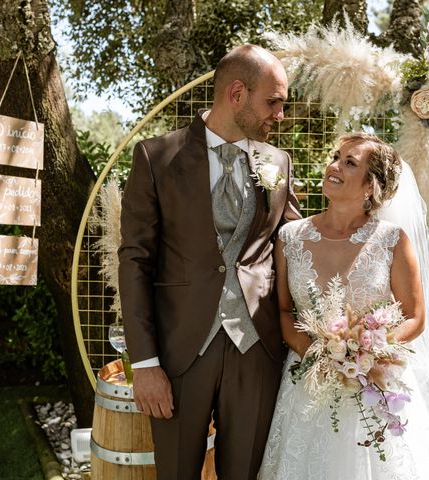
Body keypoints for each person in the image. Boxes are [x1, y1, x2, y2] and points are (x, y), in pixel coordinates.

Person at [118, 44, 301, 480]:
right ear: (236, 93)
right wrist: (144, 365)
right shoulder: (156, 157)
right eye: (272, 102)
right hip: (180, 352)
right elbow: (135, 262)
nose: (280, 115)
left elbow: (297, 244)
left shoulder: (279, 163)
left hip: (257, 350)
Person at [259, 133, 429, 479]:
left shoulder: (392, 240)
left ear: (370, 187)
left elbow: (415, 316)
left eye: (350, 163)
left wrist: (371, 351)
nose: (334, 166)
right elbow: (284, 310)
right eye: (336, 157)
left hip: (376, 384)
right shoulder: (290, 237)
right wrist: (316, 354)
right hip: (308, 381)